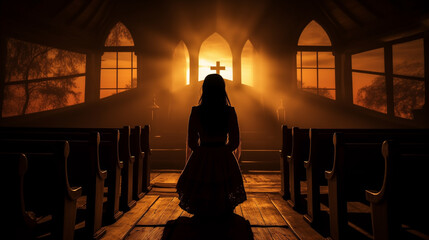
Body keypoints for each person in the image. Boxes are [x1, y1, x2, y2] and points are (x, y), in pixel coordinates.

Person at [176, 74, 247, 219]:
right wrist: (223, 152)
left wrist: (202, 152)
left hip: (202, 153)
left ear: (204, 89)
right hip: (223, 154)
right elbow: (234, 141)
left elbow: (191, 142)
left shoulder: (196, 111)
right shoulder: (229, 112)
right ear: (223, 89)